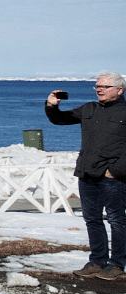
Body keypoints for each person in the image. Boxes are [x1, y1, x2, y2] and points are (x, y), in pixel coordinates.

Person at [47, 72, 126, 280]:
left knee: (117, 221)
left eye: (105, 86)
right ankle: (97, 262)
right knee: (92, 219)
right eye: (97, 86)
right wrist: (52, 105)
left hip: (113, 176)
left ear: (120, 90)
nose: (99, 89)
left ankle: (117, 265)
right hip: (87, 173)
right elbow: (60, 120)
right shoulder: (89, 108)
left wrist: (116, 171)